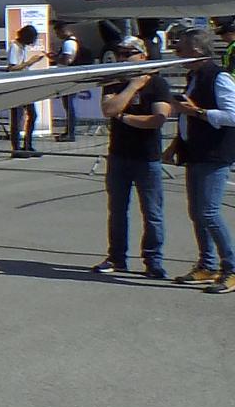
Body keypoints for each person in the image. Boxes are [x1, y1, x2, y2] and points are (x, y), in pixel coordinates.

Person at [93, 36, 170, 278]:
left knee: (152, 212)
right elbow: (108, 109)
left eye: (129, 53)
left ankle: (153, 260)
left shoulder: (157, 83)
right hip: (118, 155)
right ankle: (117, 257)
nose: (122, 58)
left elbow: (157, 119)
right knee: (117, 210)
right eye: (120, 53)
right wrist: (132, 87)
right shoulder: (115, 82)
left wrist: (125, 118)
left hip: (147, 157)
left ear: (142, 55)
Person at [166, 29, 235, 290]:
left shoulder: (219, 77)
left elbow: (232, 115)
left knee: (209, 211)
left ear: (196, 50)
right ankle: (206, 264)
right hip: (194, 152)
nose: (177, 53)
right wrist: (175, 145)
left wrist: (199, 112)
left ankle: (231, 267)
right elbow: (187, 115)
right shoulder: (193, 76)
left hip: (214, 153)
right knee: (197, 212)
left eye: (181, 48)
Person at [7, 25, 48, 157]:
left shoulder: (22, 47)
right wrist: (30, 62)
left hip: (25, 85)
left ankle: (28, 144)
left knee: (32, 115)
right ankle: (16, 148)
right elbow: (12, 68)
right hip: (16, 86)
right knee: (17, 117)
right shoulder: (15, 47)